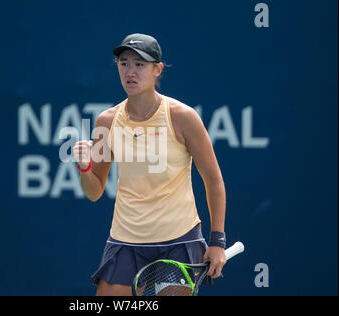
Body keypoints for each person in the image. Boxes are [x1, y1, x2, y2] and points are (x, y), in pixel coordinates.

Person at [72, 33, 227, 296]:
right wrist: (84, 168)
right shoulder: (106, 122)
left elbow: (213, 180)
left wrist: (217, 241)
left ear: (158, 69)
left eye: (139, 64)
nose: (130, 72)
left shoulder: (183, 117)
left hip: (178, 241)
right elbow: (94, 191)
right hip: (125, 242)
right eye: (124, 63)